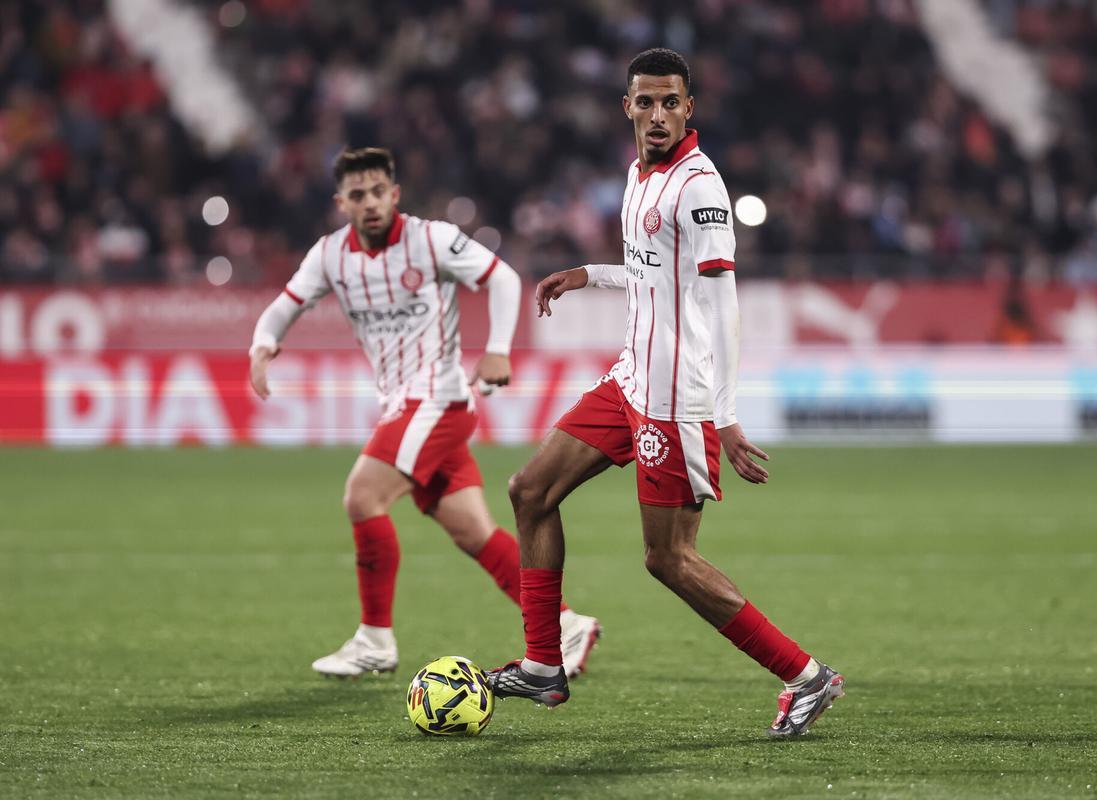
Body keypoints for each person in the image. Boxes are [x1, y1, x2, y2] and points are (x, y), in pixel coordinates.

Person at [487, 50, 843, 737]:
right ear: (627, 107)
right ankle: (541, 664)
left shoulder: (699, 189)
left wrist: (726, 416)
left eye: (670, 102)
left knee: (668, 559)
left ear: (690, 108)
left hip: (675, 398)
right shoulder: (639, 176)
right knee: (529, 492)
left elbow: (722, 303)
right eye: (645, 102)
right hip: (630, 379)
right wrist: (590, 274)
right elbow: (655, 273)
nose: (657, 115)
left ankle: (806, 676)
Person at [249, 147, 600, 679]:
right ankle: (568, 624)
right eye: (357, 195)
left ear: (394, 194)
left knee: (362, 496)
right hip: (404, 404)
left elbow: (502, 278)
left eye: (377, 192)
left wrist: (498, 347)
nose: (369, 203)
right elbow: (285, 305)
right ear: (341, 202)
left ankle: (374, 640)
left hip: (437, 399)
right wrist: (263, 344)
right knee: (474, 532)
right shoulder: (329, 256)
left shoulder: (430, 239)